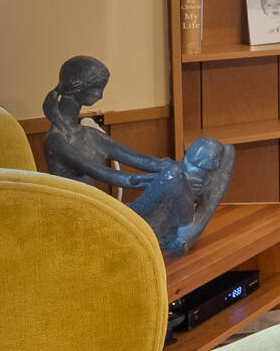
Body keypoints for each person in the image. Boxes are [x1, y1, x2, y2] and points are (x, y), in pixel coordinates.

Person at [43, 55, 234, 258]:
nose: (100, 95)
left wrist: (182, 168)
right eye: (95, 88)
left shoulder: (89, 135)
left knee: (207, 158)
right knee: (173, 177)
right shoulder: (57, 142)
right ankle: (187, 227)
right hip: (97, 223)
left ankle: (188, 213)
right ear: (76, 89)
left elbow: (144, 160)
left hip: (111, 212)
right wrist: (167, 179)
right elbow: (112, 176)